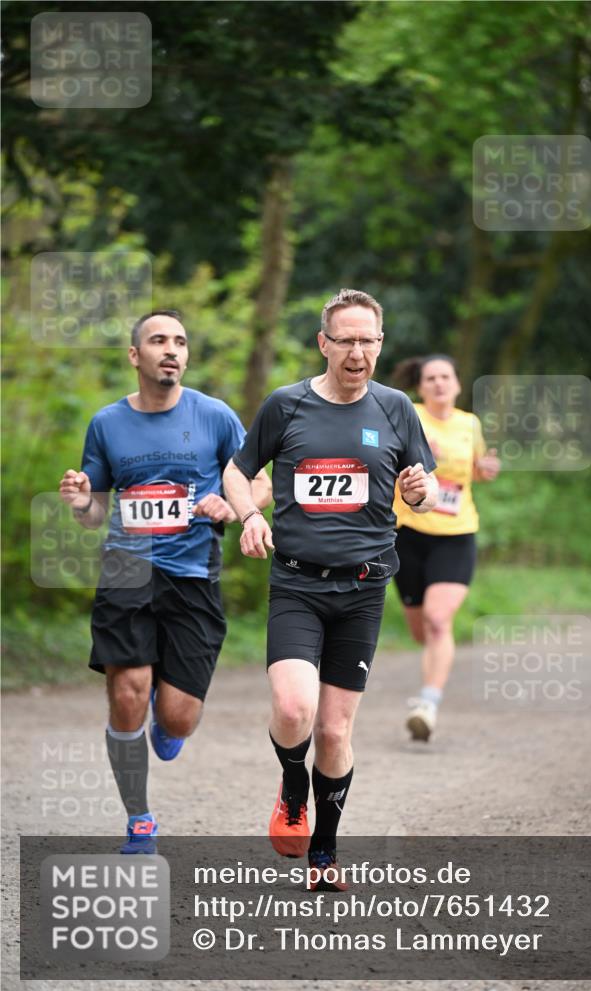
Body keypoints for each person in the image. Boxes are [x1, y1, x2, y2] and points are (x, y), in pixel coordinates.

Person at [223, 288, 438, 889]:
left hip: (364, 588)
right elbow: (239, 471)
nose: (356, 351)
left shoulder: (397, 408)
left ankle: (324, 853)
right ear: (323, 343)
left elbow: (426, 489)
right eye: (344, 339)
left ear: (380, 344)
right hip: (296, 582)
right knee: (295, 710)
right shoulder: (286, 406)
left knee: (336, 731)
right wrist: (251, 516)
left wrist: (421, 492)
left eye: (367, 340)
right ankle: (294, 786)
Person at [59, 310, 271, 852]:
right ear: (136, 356)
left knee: (178, 717)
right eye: (158, 341)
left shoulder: (216, 416)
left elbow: (259, 482)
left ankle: (168, 720)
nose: (170, 349)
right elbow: (92, 511)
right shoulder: (107, 423)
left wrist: (232, 504)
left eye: (179, 341)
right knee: (127, 691)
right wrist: (82, 500)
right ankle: (139, 819)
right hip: (125, 571)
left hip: (193, 574)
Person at [391, 355, 500, 741]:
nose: (439, 384)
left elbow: (472, 470)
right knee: (421, 630)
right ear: (420, 387)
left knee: (439, 620)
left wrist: (484, 470)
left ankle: (428, 703)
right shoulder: (408, 415)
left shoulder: (470, 424)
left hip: (457, 534)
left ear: (456, 384)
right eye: (431, 378)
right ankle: (430, 681)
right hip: (408, 533)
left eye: (445, 377)